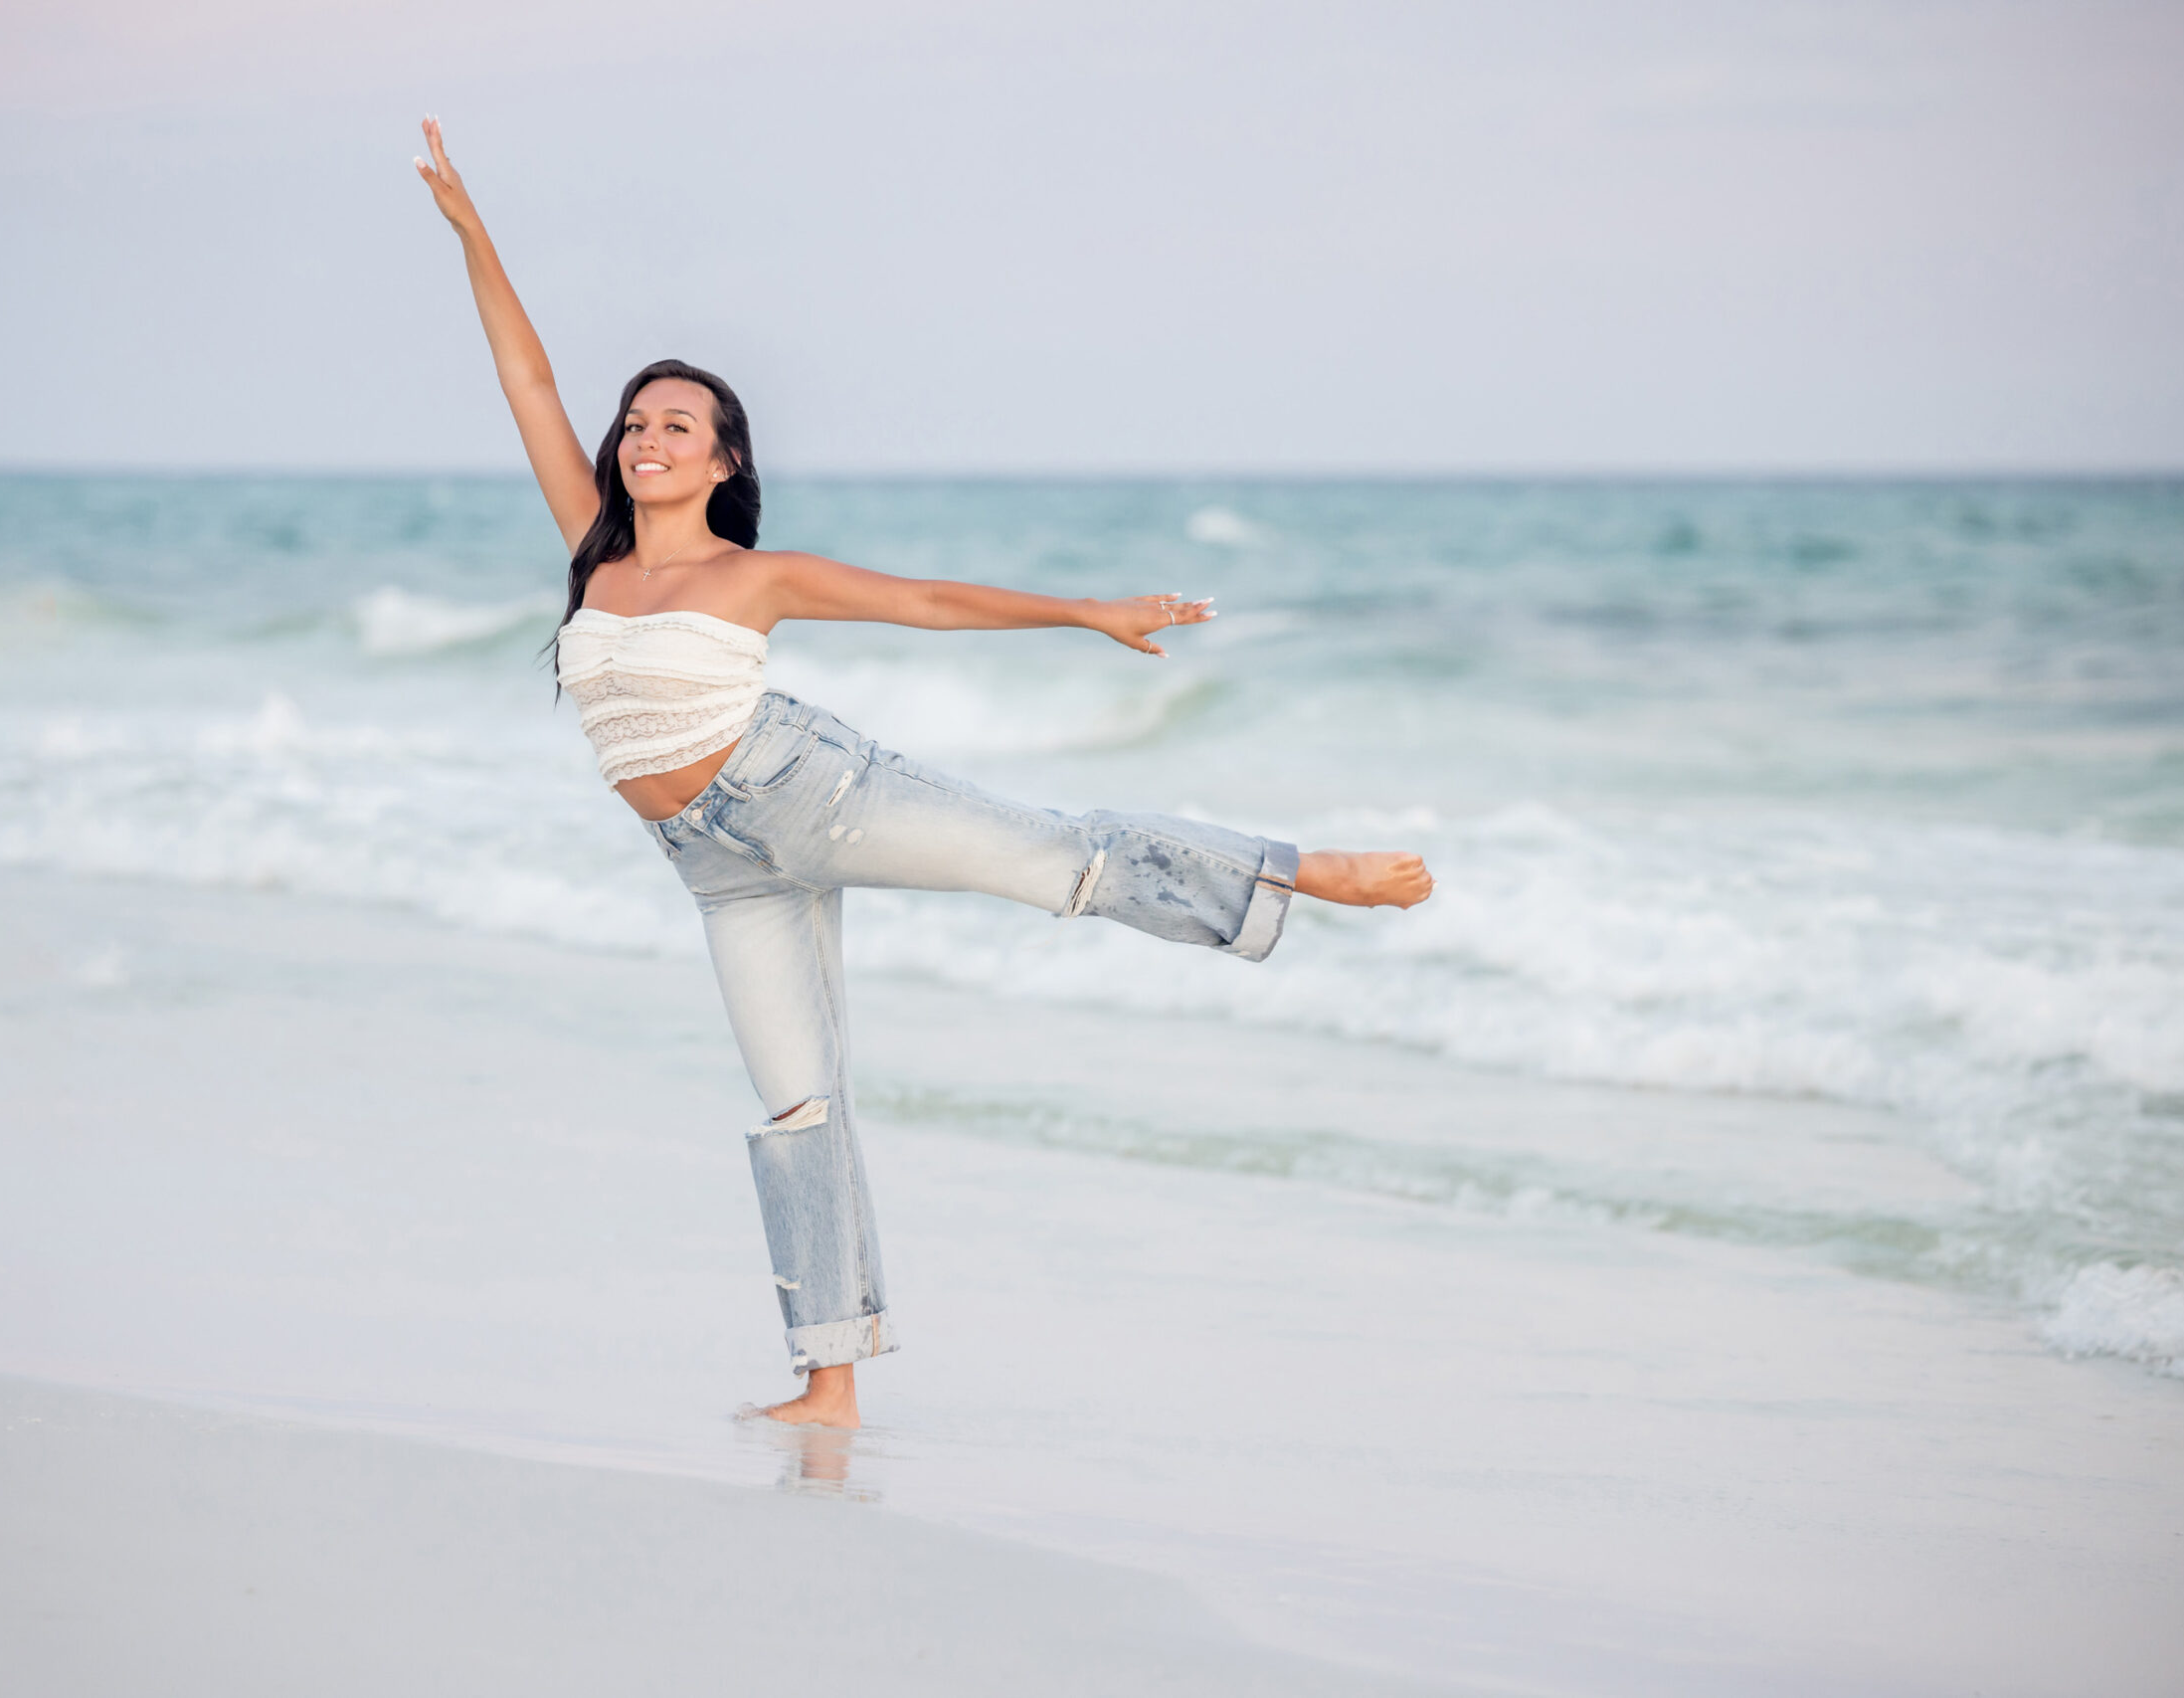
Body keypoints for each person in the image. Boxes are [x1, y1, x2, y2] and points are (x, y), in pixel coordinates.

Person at [414, 117, 1432, 1428]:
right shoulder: (592, 553)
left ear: (725, 461)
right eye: (636, 422)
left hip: (812, 793)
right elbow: (529, 381)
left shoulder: (754, 575)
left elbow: (932, 604)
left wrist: (1087, 612)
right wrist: (473, 233)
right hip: (717, 869)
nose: (644, 437)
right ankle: (829, 1383)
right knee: (797, 1104)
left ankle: (1295, 872)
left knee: (1055, 859)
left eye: (678, 424)